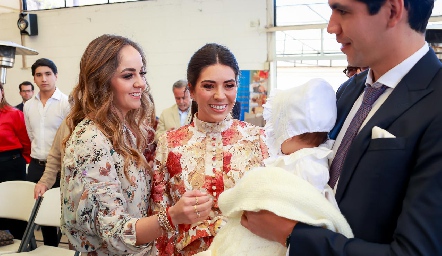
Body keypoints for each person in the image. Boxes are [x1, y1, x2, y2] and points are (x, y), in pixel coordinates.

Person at [241, 0, 442, 255]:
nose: (331, 26)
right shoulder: (350, 90)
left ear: (392, 11)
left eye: (343, 11)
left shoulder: (435, 104)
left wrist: (291, 234)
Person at [60, 34, 212, 256]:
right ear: (101, 81)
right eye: (128, 75)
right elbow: (114, 234)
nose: (141, 83)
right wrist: (173, 216)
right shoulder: (91, 139)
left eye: (141, 73)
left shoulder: (126, 130)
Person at [206, 79, 353, 256]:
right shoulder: (313, 157)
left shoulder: (304, 164)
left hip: (278, 232)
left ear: (289, 135)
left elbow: (300, 203)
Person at [150, 43, 269, 255]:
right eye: (208, 86)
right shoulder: (169, 144)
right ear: (192, 90)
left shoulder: (258, 139)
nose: (220, 95)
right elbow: (159, 218)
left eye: (229, 85)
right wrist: (176, 213)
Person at [23, 57, 70, 247]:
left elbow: (68, 138)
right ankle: (50, 248)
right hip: (35, 165)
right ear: (34, 79)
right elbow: (31, 134)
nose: (44, 79)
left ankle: (64, 249)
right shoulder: (28, 105)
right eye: (39, 75)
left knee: (61, 213)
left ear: (56, 76)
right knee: (40, 214)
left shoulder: (66, 103)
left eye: (48, 74)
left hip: (58, 168)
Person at [0, 82, 31, 239]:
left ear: (2, 93)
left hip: (11, 164)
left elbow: (26, 141)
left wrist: (22, 161)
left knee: (14, 205)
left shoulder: (14, 114)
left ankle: (21, 242)